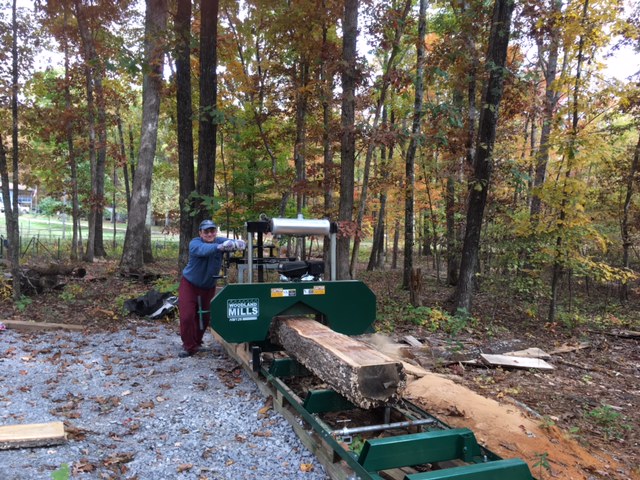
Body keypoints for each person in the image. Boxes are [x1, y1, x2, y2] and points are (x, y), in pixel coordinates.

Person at [178, 219, 245, 357]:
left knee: (205, 316)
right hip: (190, 284)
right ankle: (188, 346)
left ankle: (196, 343)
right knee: (187, 316)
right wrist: (220, 247)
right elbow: (203, 250)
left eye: (212, 231)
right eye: (206, 231)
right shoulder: (195, 243)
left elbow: (230, 242)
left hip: (208, 286)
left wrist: (238, 244)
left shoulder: (219, 240)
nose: (210, 234)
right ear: (200, 233)